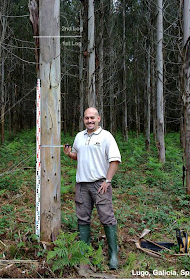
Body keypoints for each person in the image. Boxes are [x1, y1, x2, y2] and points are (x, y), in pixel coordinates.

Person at [63, 107, 121, 270]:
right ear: (83, 120)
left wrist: (107, 180)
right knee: (82, 218)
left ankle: (113, 256)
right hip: (82, 184)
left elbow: (115, 160)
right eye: (87, 118)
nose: (89, 121)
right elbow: (77, 155)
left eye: (92, 118)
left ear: (99, 119)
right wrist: (69, 154)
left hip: (100, 184)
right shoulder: (79, 137)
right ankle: (84, 253)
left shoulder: (106, 136)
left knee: (106, 218)